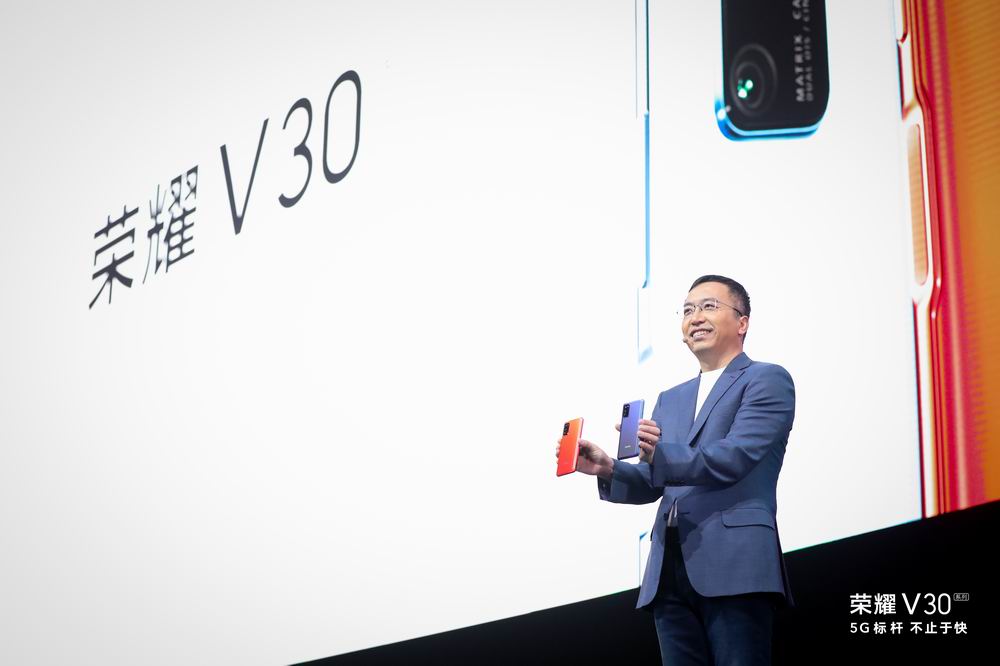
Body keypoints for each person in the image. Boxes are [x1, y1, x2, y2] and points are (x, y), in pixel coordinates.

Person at [557, 275, 795, 665]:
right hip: (668, 571)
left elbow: (736, 456)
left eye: (709, 306)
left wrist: (660, 455)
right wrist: (607, 467)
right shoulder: (671, 398)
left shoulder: (766, 379)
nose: (695, 317)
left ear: (742, 322)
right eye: (687, 310)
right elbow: (654, 481)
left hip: (735, 562)